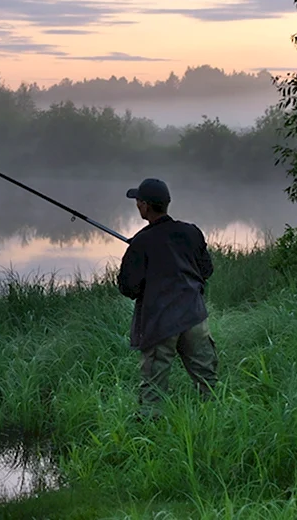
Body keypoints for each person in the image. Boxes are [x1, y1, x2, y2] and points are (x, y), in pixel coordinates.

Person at [116, 177, 217, 420]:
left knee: (153, 387)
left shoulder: (141, 242)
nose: (137, 205)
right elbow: (207, 270)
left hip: (160, 324)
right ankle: (213, 421)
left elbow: (128, 287)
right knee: (208, 381)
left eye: (138, 201)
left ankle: (151, 436)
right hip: (194, 317)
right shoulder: (191, 232)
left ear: (144, 206)